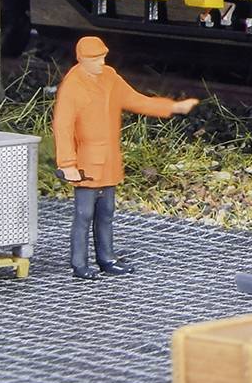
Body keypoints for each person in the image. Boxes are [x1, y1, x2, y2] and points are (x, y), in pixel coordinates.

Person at [48, 34, 198, 278]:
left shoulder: (110, 78)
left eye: (102, 58)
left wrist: (171, 107)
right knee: (84, 214)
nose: (101, 63)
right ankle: (79, 264)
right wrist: (67, 163)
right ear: (82, 59)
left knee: (106, 212)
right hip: (86, 160)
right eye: (95, 59)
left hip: (108, 158)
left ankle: (107, 258)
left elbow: (136, 100)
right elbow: (63, 126)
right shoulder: (73, 85)